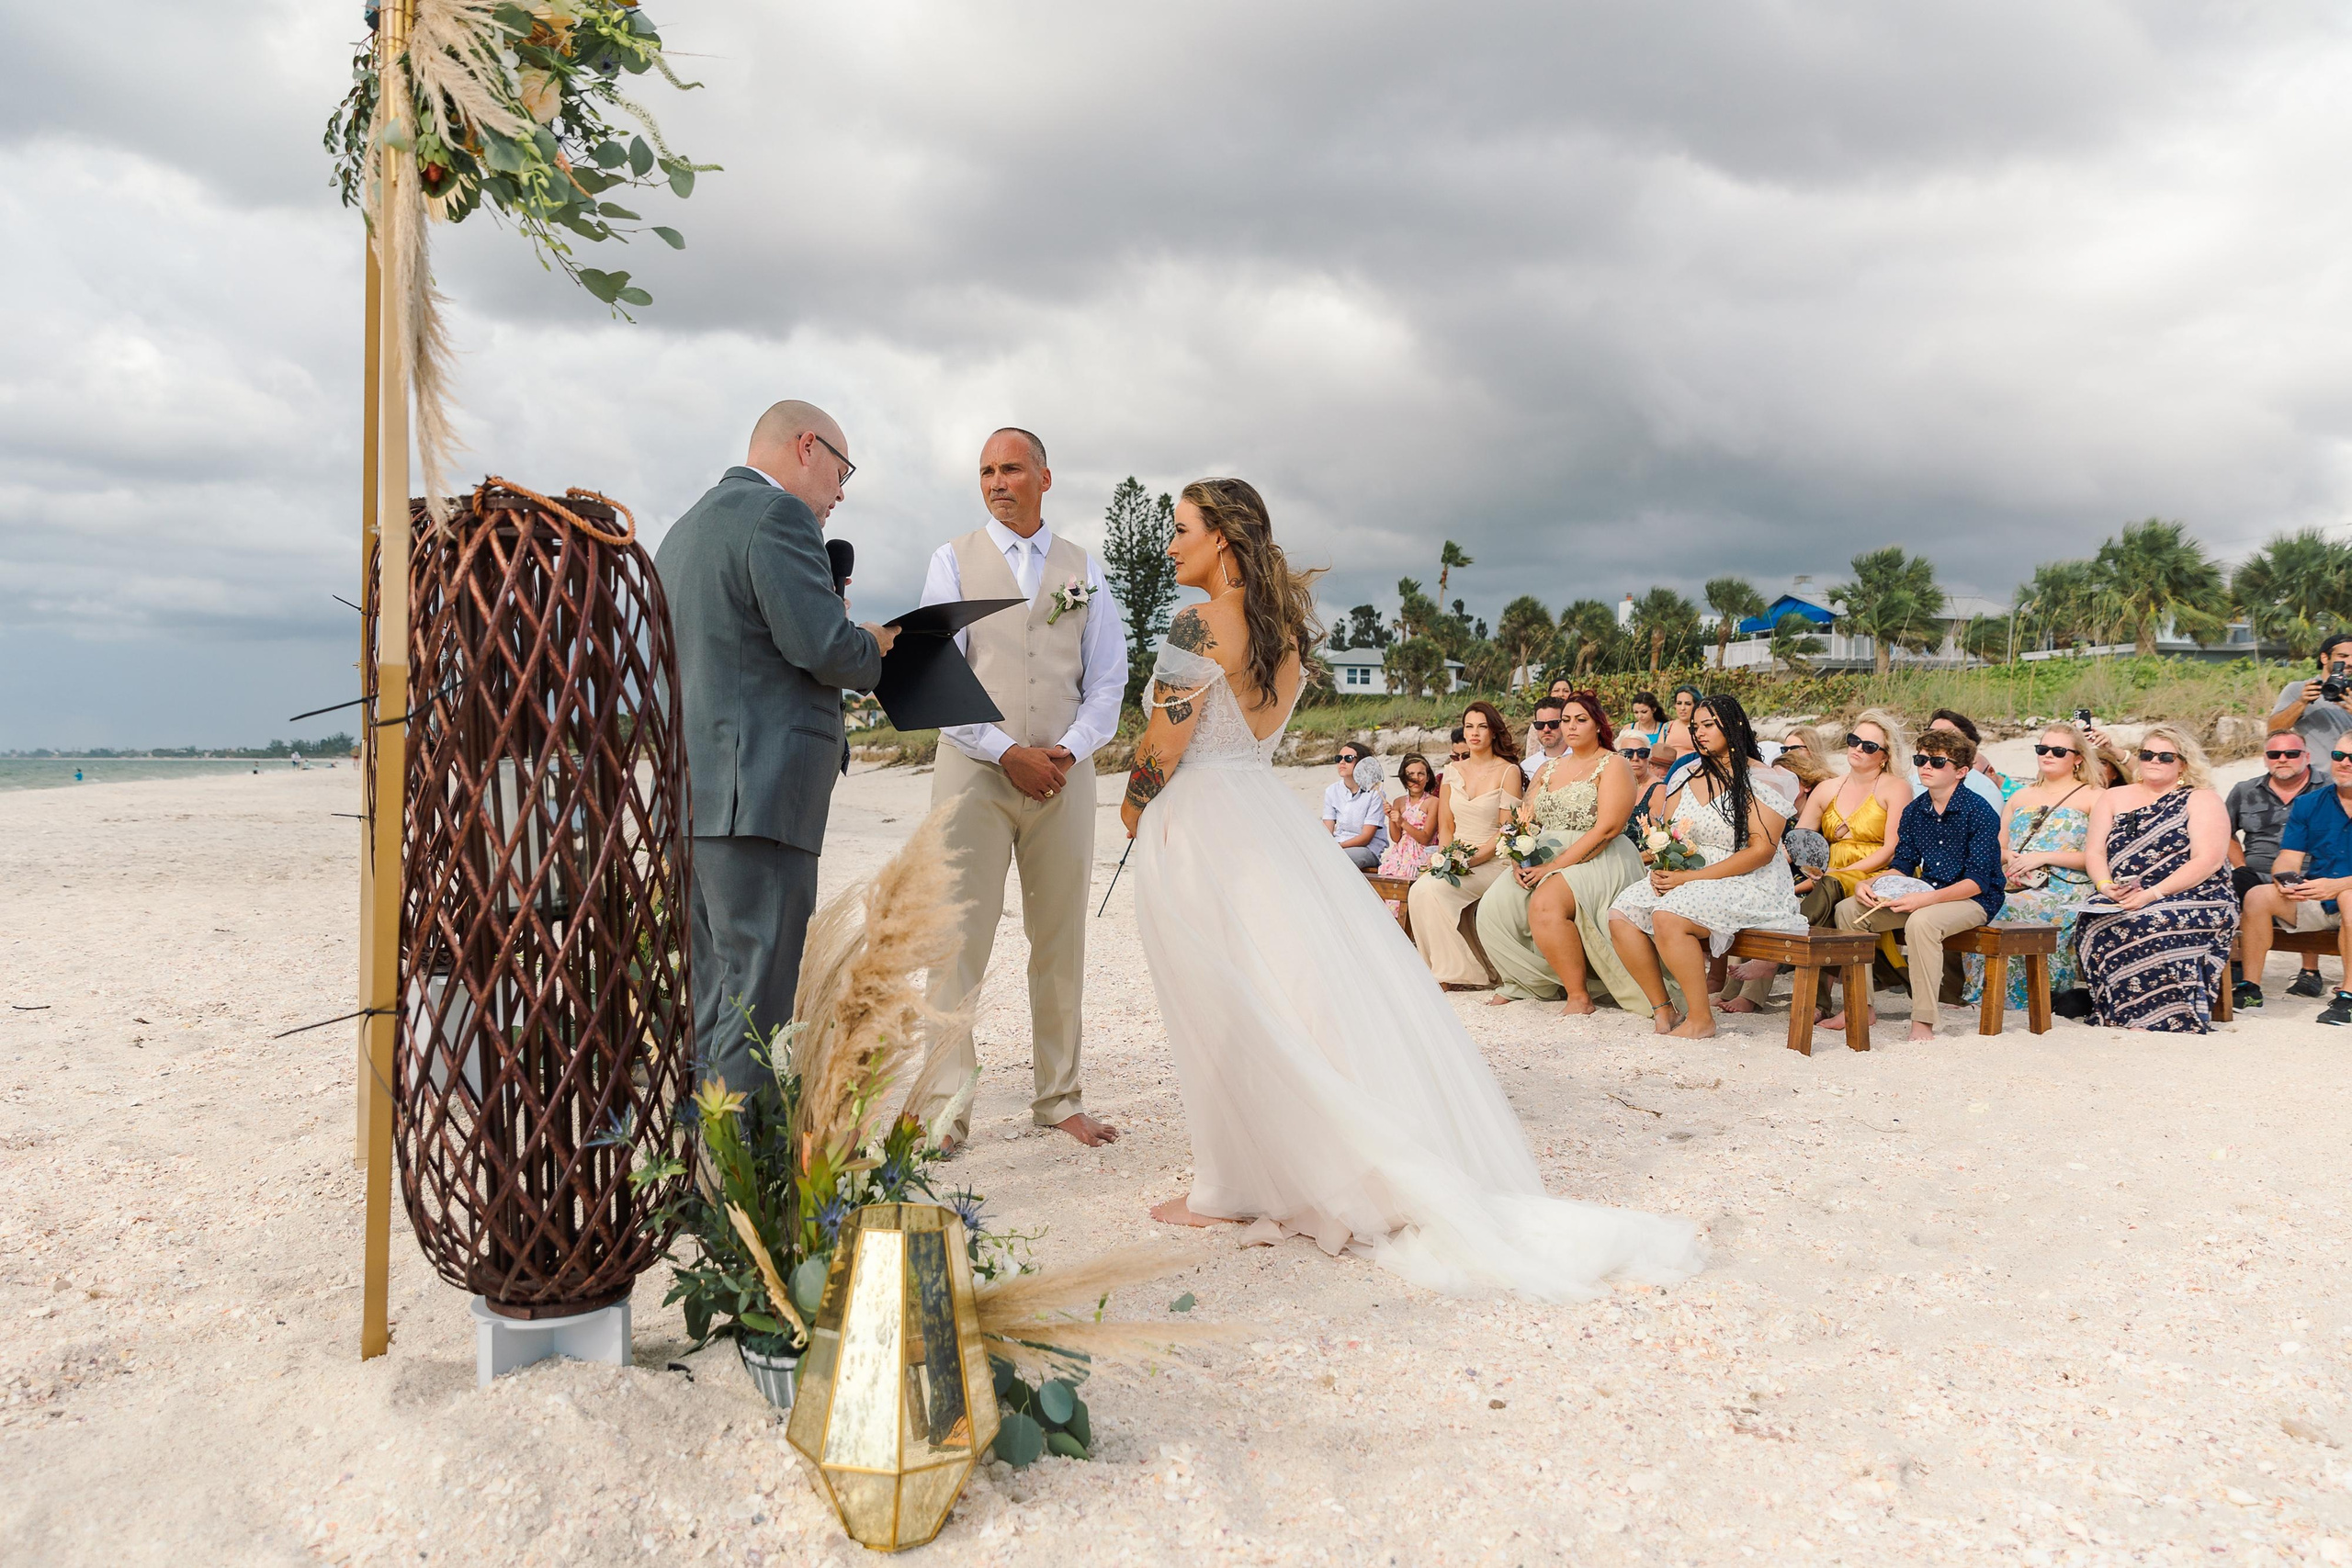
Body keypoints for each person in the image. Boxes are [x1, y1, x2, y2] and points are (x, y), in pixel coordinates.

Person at [1119, 479, 1703, 1297]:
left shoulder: (1196, 623)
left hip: (1205, 823)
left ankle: (1231, 1183)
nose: (1170, 545)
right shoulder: (1281, 636)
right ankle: (1277, 1167)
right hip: (1263, 816)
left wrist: (1131, 807)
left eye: (1181, 530)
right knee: (1278, 991)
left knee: (1220, 998)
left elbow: (1163, 742)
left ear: (1220, 536)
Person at [653, 400, 896, 1094]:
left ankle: (695, 1173)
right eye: (842, 472)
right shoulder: (779, 516)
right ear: (807, 447)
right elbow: (823, 647)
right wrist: (872, 645)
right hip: (759, 799)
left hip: (695, 802)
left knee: (711, 998)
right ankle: (740, 1192)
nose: (841, 493)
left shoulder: (686, 528)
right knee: (757, 1006)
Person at [913, 428, 1128, 1151]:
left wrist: (1067, 749)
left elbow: (1106, 679)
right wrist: (1008, 751)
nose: (997, 482)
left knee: (1060, 936)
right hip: (973, 773)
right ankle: (945, 1108)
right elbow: (934, 673)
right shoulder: (953, 560)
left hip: (1064, 779)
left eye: (1010, 469)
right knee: (956, 939)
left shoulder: (1083, 570)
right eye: (985, 471)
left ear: (1044, 475)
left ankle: (1058, 1097)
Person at [1608, 694, 1806, 1038]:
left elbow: (1761, 851)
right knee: (1621, 913)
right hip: (1690, 871)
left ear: (1734, 726)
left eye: (1708, 725)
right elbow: (1667, 833)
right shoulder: (1685, 773)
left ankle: (1701, 1019)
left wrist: (1691, 877)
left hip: (1749, 878)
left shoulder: (1764, 778)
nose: (1699, 733)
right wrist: (1664, 865)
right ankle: (1663, 1008)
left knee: (1668, 916)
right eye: (1695, 726)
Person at [1824, 726, 2004, 1041]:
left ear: (1961, 771)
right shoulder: (1915, 811)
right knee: (1848, 910)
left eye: (1937, 762)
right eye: (1921, 759)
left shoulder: (1980, 812)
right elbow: (1902, 866)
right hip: (1925, 892)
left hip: (1975, 900)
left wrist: (1924, 900)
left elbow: (1978, 881)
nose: (1926, 767)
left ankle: (1923, 1021)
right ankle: (1861, 1007)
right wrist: (1870, 884)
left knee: (1922, 922)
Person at [1478, 691, 1650, 1014]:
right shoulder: (1548, 769)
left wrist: (1553, 867)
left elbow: (1609, 828)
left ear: (1598, 725)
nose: (1571, 727)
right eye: (1566, 720)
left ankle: (1579, 995)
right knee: (1494, 906)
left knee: (1547, 904)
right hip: (1543, 852)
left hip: (1600, 854)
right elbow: (1524, 821)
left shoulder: (1613, 764)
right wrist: (1519, 859)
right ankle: (1526, 981)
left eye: (1580, 720)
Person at [2077, 725, 2235, 1033]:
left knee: (2148, 920)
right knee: (2092, 917)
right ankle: (2116, 1010)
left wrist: (2154, 894)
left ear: (2183, 763)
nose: (2154, 761)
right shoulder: (2113, 797)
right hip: (2124, 891)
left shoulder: (2201, 799)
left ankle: (2160, 1017)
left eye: (2165, 756)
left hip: (2197, 893)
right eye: (2147, 754)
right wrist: (2105, 886)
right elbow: (2094, 853)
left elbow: (2208, 860)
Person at [1962, 722, 2104, 1015]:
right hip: (2016, 882)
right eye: (2042, 749)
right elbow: (1994, 847)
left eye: (2058, 750)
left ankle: (2020, 996)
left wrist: (2042, 857)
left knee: (2000, 909)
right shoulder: (2019, 797)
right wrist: (2010, 856)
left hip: (2066, 890)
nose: (2048, 755)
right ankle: (1981, 992)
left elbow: (2097, 855)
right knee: (1973, 906)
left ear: (2078, 757)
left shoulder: (2094, 796)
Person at [1407, 702, 1524, 987]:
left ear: (1493, 732)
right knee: (1420, 889)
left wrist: (1468, 861)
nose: (1474, 733)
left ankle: (1455, 974)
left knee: (1433, 889)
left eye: (1482, 726)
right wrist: (1447, 858)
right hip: (1455, 854)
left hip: (1492, 858)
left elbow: (1506, 830)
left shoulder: (1509, 772)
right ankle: (1446, 969)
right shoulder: (1452, 770)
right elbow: (1446, 827)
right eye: (1469, 726)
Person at [2238, 738, 2352, 1022]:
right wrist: (2285, 879)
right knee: (2257, 895)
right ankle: (2251, 988)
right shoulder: (2309, 803)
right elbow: (2289, 856)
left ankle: (2348, 997)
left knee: (2350, 897)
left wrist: (2340, 885)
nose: (2345, 763)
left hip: (2346, 896)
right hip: (2319, 897)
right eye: (2339, 755)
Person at [2225, 729, 2325, 1005]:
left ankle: (2310, 970)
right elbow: (2224, 831)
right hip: (2255, 869)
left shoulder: (2328, 790)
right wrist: (2240, 865)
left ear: (2307, 756)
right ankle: (2238, 965)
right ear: (2265, 759)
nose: (2283, 759)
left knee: (2308, 883)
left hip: (2310, 869)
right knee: (2227, 886)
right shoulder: (2244, 791)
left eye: (2291, 754)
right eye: (2274, 754)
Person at [2268, 633, 2352, 753]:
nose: (2349, 662)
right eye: (2342, 656)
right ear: (2324, 658)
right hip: (2315, 771)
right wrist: (2301, 702)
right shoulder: (2300, 689)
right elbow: (2273, 731)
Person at [1322, 742, 1390, 869]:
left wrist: (1337, 848)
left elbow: (1366, 837)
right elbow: (1327, 830)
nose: (1342, 762)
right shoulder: (1332, 791)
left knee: (1338, 860)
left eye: (1348, 758)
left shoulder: (1375, 793)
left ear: (1361, 763)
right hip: (1338, 844)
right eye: (1338, 758)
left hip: (1366, 849)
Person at [1924, 709, 2008, 810]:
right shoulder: (1913, 781)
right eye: (1931, 733)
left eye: (1946, 734)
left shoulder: (1984, 791)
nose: (1936, 739)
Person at [1377, 753, 1441, 876]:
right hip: (1399, 855)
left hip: (1421, 855)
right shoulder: (1398, 802)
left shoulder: (1433, 802)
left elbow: (1426, 839)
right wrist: (1391, 817)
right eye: (1410, 774)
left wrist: (1402, 822)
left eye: (1421, 774)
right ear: (1404, 779)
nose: (1416, 778)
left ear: (1427, 778)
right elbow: (1396, 838)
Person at [1521, 697, 1572, 781]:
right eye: (1540, 725)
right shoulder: (1526, 767)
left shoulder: (1581, 758)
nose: (1546, 729)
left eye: (1553, 724)